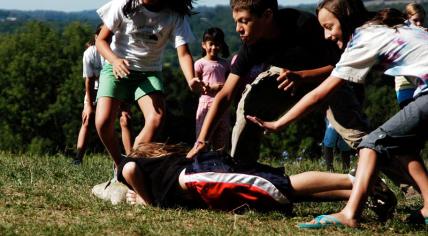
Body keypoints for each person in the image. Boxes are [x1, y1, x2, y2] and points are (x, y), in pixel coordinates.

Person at [247, 8, 428, 227]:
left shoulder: (364, 38)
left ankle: (350, 214)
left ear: (346, 19)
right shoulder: (388, 27)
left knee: (371, 144)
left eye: (329, 26)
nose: (326, 35)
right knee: (401, 145)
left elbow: (318, 95)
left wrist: (278, 123)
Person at [187, 0, 341, 163]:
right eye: (236, 21)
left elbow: (342, 67)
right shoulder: (252, 44)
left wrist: (304, 76)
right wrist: (201, 142)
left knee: (352, 129)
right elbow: (225, 94)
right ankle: (241, 170)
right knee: (249, 105)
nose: (238, 28)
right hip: (286, 78)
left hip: (331, 77)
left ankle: (367, 171)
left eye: (244, 21)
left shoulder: (304, 25)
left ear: (267, 16)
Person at [95, 0, 202, 172]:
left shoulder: (173, 15)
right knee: (102, 121)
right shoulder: (123, 5)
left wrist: (191, 79)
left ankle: (133, 162)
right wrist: (114, 60)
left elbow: (183, 53)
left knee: (157, 118)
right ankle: (119, 164)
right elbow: (101, 40)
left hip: (149, 72)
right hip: (117, 67)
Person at [117, 142, 354, 211]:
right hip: (206, 172)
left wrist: (144, 200)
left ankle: (356, 181)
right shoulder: (160, 163)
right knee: (284, 194)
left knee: (281, 185)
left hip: (199, 177)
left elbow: (128, 170)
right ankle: (358, 194)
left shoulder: (133, 163)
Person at [73, 23, 133, 165]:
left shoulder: (118, 51)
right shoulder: (90, 53)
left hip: (116, 87)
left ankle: (131, 158)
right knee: (87, 119)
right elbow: (89, 80)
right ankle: (78, 158)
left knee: (125, 118)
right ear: (97, 37)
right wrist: (88, 104)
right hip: (94, 88)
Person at [194, 27, 231, 150]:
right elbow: (196, 86)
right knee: (203, 136)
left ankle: (219, 165)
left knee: (222, 137)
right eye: (211, 44)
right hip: (206, 104)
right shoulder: (199, 64)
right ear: (204, 45)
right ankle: (200, 163)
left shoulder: (225, 64)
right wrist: (211, 87)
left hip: (222, 105)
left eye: (217, 44)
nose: (214, 48)